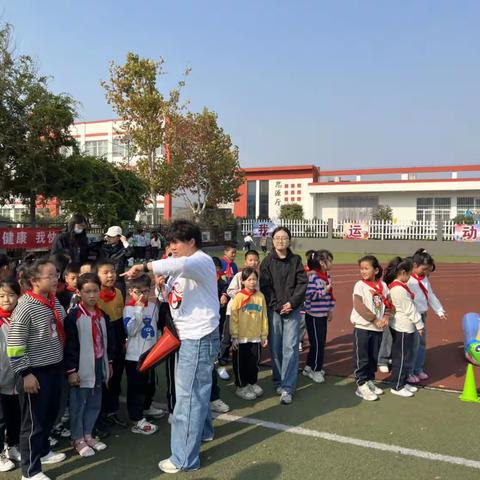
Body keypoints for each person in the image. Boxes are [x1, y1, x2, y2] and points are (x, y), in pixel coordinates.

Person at [123, 219, 220, 474]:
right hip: (190, 336)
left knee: (188, 398)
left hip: (198, 338)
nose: (172, 247)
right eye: (170, 242)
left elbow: (176, 264)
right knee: (196, 392)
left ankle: (184, 459)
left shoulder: (199, 261)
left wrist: (142, 265)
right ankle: (205, 432)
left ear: (191, 242)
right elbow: (173, 298)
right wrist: (160, 286)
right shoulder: (183, 267)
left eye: (176, 242)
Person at [7, 258, 67, 480]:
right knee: (33, 423)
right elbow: (14, 346)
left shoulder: (52, 301)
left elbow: (62, 323)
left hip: (54, 367)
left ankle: (43, 452)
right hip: (35, 372)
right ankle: (30, 472)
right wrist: (25, 373)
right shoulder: (25, 307)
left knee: (50, 415)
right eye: (50, 276)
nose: (55, 279)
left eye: (56, 274)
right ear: (34, 281)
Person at [64, 273, 112, 457]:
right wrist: (71, 370)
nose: (92, 295)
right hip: (81, 366)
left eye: (95, 291)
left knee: (94, 401)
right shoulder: (74, 317)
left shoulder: (102, 315)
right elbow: (70, 346)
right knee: (78, 403)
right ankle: (77, 438)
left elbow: (107, 342)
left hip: (98, 363)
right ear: (79, 293)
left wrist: (108, 362)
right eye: (87, 291)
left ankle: (88, 434)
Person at [259, 227, 308, 405]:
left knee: (291, 347)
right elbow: (265, 286)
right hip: (275, 310)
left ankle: (288, 387)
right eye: (277, 238)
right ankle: (278, 381)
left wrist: (291, 303)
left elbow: (302, 283)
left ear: (289, 240)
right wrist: (278, 305)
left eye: (284, 238)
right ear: (272, 241)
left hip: (292, 310)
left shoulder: (296, 260)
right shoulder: (266, 262)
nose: (281, 241)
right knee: (276, 347)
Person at [124, 275, 164, 435]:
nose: (142, 296)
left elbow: (156, 330)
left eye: (146, 292)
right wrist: (139, 309)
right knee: (137, 389)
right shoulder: (129, 309)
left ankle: (146, 407)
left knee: (149, 385)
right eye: (138, 292)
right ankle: (137, 418)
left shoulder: (153, 306)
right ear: (130, 292)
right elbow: (130, 330)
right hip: (135, 357)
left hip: (150, 355)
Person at [351, 255, 392, 402]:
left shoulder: (384, 286)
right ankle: (361, 385)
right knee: (362, 358)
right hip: (363, 327)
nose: (363, 271)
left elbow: (388, 305)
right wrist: (374, 319)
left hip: (378, 329)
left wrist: (386, 317)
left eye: (366, 268)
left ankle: (370, 381)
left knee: (373, 357)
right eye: (361, 269)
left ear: (376, 270)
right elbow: (359, 305)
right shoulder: (360, 285)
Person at [384, 257, 424, 398]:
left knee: (405, 356)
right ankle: (397, 385)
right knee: (401, 357)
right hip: (402, 327)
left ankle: (403, 380)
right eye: (409, 273)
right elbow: (409, 309)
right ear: (402, 272)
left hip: (405, 326)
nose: (410, 277)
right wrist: (419, 324)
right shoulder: (398, 289)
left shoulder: (400, 286)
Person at [407, 248, 447, 383]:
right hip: (411, 317)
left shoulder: (424, 280)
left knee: (421, 344)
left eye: (428, 270)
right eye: (424, 269)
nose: (426, 273)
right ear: (414, 266)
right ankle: (409, 371)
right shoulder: (408, 280)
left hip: (422, 315)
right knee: (412, 345)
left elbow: (430, 295)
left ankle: (418, 369)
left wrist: (439, 310)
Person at [95, 260, 126, 428]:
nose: (110, 275)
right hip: (102, 337)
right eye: (105, 272)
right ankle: (100, 415)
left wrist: (124, 340)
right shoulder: (95, 295)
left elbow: (121, 318)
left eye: (112, 272)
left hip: (117, 335)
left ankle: (112, 411)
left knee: (116, 376)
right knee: (103, 377)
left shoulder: (119, 292)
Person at [230, 268, 268, 400]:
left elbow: (264, 317)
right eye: (249, 279)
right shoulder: (239, 297)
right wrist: (234, 336)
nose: (252, 282)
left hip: (255, 337)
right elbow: (233, 318)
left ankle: (252, 383)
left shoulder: (260, 296)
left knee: (254, 363)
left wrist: (264, 335)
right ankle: (241, 386)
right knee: (241, 363)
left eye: (254, 279)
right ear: (243, 281)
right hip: (241, 339)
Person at [302, 250, 335, 384]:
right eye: (330, 260)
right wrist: (323, 291)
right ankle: (316, 370)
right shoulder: (313, 277)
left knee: (319, 343)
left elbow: (331, 294)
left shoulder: (327, 276)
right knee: (318, 344)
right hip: (313, 316)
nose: (332, 263)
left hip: (322, 314)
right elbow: (309, 296)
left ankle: (309, 367)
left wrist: (330, 309)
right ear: (322, 262)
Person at [0, 277, 21, 472]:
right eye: (1, 296)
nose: (6, 299)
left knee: (15, 415)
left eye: (11, 295)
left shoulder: (18, 318)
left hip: (17, 379)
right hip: (1, 379)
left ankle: (12, 446)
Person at [95, 226, 134, 299]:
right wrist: (101, 241)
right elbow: (89, 248)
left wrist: (124, 241)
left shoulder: (123, 249)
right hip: (103, 280)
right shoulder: (102, 247)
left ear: (119, 237)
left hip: (118, 280)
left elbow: (130, 253)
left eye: (111, 236)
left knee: (119, 303)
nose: (109, 238)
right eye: (108, 236)